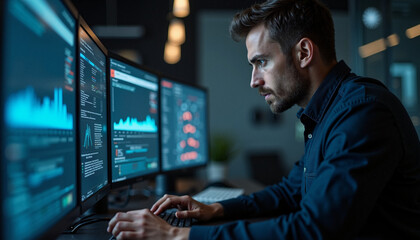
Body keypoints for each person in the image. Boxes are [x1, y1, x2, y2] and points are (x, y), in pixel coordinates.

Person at [107, 0, 420, 239]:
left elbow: (313, 230)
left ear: (304, 53)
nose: (254, 80)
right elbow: (290, 192)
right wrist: (215, 208)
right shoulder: (326, 114)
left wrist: (178, 234)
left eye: (261, 62)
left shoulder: (362, 113)